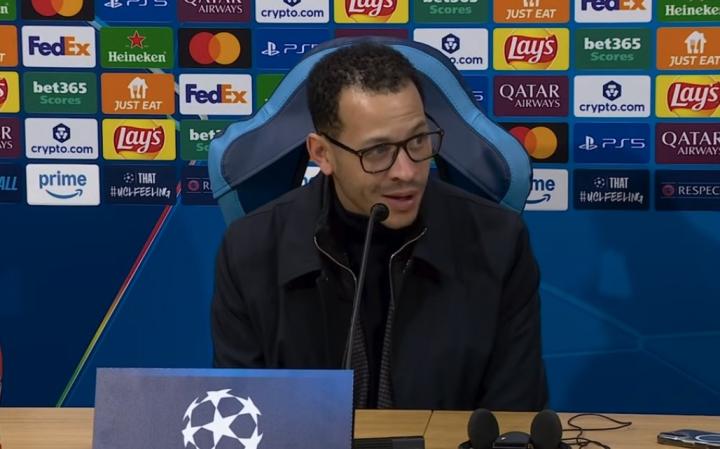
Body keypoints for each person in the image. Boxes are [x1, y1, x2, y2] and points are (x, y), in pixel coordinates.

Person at [211, 41, 548, 410]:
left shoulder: (498, 243)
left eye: (418, 141)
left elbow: (513, 415)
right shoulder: (250, 249)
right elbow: (240, 416)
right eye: (377, 151)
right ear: (322, 153)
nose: (406, 171)